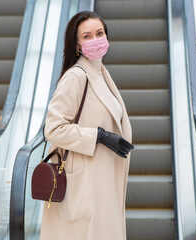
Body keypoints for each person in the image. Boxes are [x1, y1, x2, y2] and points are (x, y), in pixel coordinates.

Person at [39, 11, 134, 240]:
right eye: (87, 36)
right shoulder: (76, 76)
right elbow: (52, 128)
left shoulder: (101, 73)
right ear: (78, 45)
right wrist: (99, 136)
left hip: (102, 179)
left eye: (99, 33)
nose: (96, 40)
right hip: (85, 181)